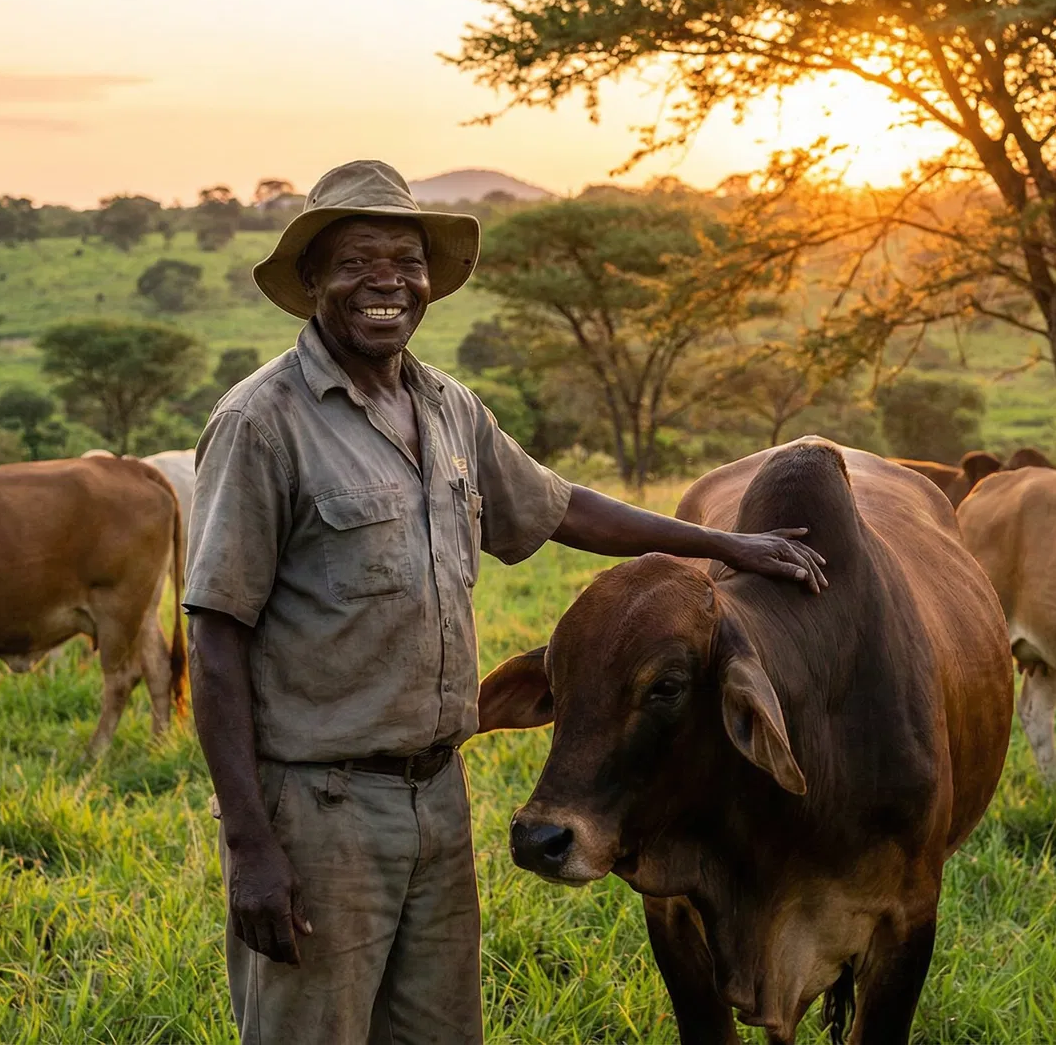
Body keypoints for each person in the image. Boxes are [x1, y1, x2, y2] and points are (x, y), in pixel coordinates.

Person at [184, 160, 827, 1044]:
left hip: (437, 797)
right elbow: (215, 641)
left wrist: (722, 544)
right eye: (357, 259)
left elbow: (562, 507)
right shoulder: (263, 423)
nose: (386, 282)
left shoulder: (447, 408)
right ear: (310, 280)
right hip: (317, 811)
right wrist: (252, 848)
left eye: (406, 261)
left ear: (430, 281)